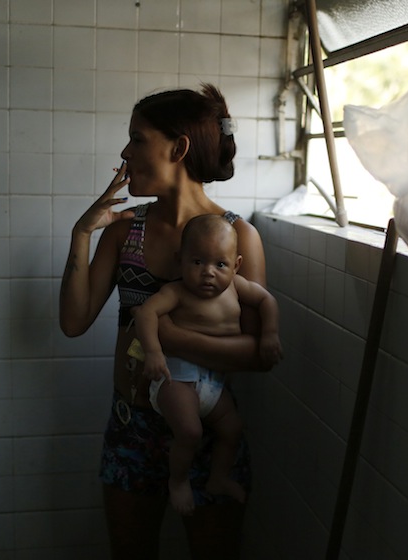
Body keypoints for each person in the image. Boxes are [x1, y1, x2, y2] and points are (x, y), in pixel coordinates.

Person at [59, 84, 273, 560]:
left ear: (178, 148)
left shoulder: (237, 236)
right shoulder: (124, 229)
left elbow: (258, 354)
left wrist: (167, 335)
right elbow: (73, 322)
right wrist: (80, 234)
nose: (124, 152)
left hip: (209, 431)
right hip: (130, 428)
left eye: (137, 139)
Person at [131, 214, 282, 516]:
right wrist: (154, 352)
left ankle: (218, 478)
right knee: (189, 431)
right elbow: (145, 313)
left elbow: (267, 301)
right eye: (197, 262)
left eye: (220, 265)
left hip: (213, 382)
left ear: (236, 265)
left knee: (233, 427)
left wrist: (270, 334)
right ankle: (178, 480)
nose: (208, 273)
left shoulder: (237, 287)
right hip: (176, 378)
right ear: (180, 260)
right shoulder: (176, 291)